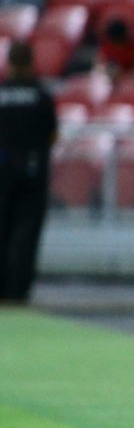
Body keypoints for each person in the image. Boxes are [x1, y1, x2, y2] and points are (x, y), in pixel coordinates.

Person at [0, 41, 57, 303]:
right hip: (33, 172)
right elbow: (52, 136)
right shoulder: (41, 96)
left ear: (9, 63)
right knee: (27, 232)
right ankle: (18, 290)